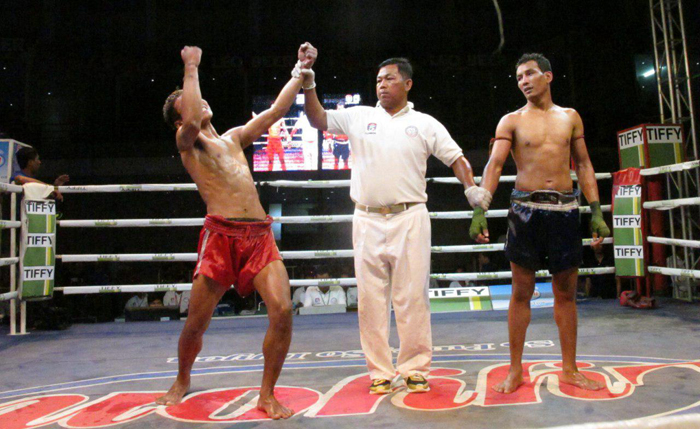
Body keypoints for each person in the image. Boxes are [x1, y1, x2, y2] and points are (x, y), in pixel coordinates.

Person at [302, 46, 490, 394]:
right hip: (366, 217)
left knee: (412, 296)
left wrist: (471, 189)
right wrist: (309, 81)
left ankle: (415, 367)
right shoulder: (358, 117)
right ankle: (380, 371)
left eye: (389, 79)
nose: (382, 85)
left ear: (407, 84)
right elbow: (318, 119)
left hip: (410, 216)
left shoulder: (425, 123)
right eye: (378, 80)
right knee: (370, 299)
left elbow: (456, 158)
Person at [156, 43, 315, 419]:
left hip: (259, 237)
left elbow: (276, 112)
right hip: (220, 238)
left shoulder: (232, 138)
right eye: (188, 102)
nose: (198, 101)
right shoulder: (188, 144)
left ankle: (266, 394)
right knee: (196, 325)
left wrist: (299, 69)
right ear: (179, 119)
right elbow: (191, 123)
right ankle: (182, 378)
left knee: (282, 310)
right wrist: (191, 67)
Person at [470, 53, 611, 394]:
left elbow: (584, 165)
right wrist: (480, 209)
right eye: (519, 77)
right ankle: (514, 370)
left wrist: (596, 211)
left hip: (565, 210)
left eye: (529, 74)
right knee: (521, 293)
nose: (523, 81)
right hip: (525, 211)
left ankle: (570, 369)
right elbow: (494, 164)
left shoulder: (570, 117)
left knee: (566, 293)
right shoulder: (511, 121)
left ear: (547, 76)